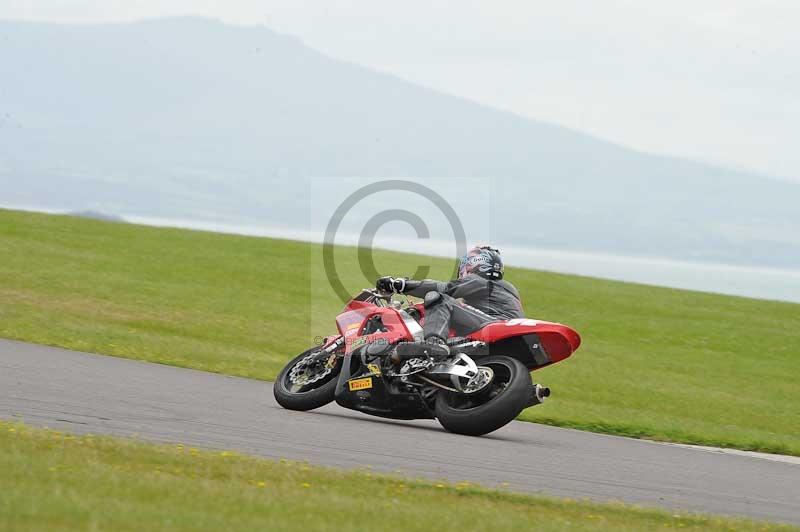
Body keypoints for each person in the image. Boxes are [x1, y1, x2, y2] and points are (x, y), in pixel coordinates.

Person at [376, 245, 524, 358]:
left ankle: (434, 342)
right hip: (506, 338)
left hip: (492, 324)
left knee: (440, 298)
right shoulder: (506, 289)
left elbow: (444, 289)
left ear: (472, 265)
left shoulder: (482, 281)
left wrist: (401, 285)